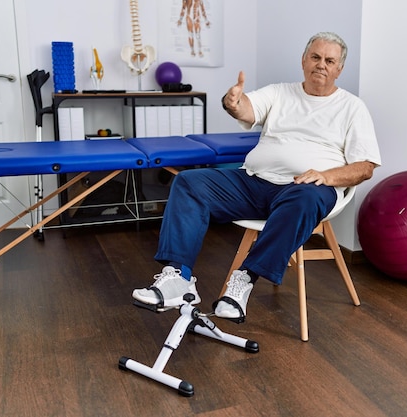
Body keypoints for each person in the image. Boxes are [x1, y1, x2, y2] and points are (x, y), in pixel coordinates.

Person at [133, 32, 381, 322]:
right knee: (189, 182)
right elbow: (247, 109)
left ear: (339, 69)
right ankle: (179, 278)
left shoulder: (352, 108)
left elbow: (365, 166)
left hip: (306, 189)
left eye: (329, 60)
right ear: (303, 60)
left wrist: (326, 176)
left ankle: (244, 281)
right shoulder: (280, 93)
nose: (321, 65)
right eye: (315, 57)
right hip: (254, 182)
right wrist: (233, 101)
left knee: (305, 197)